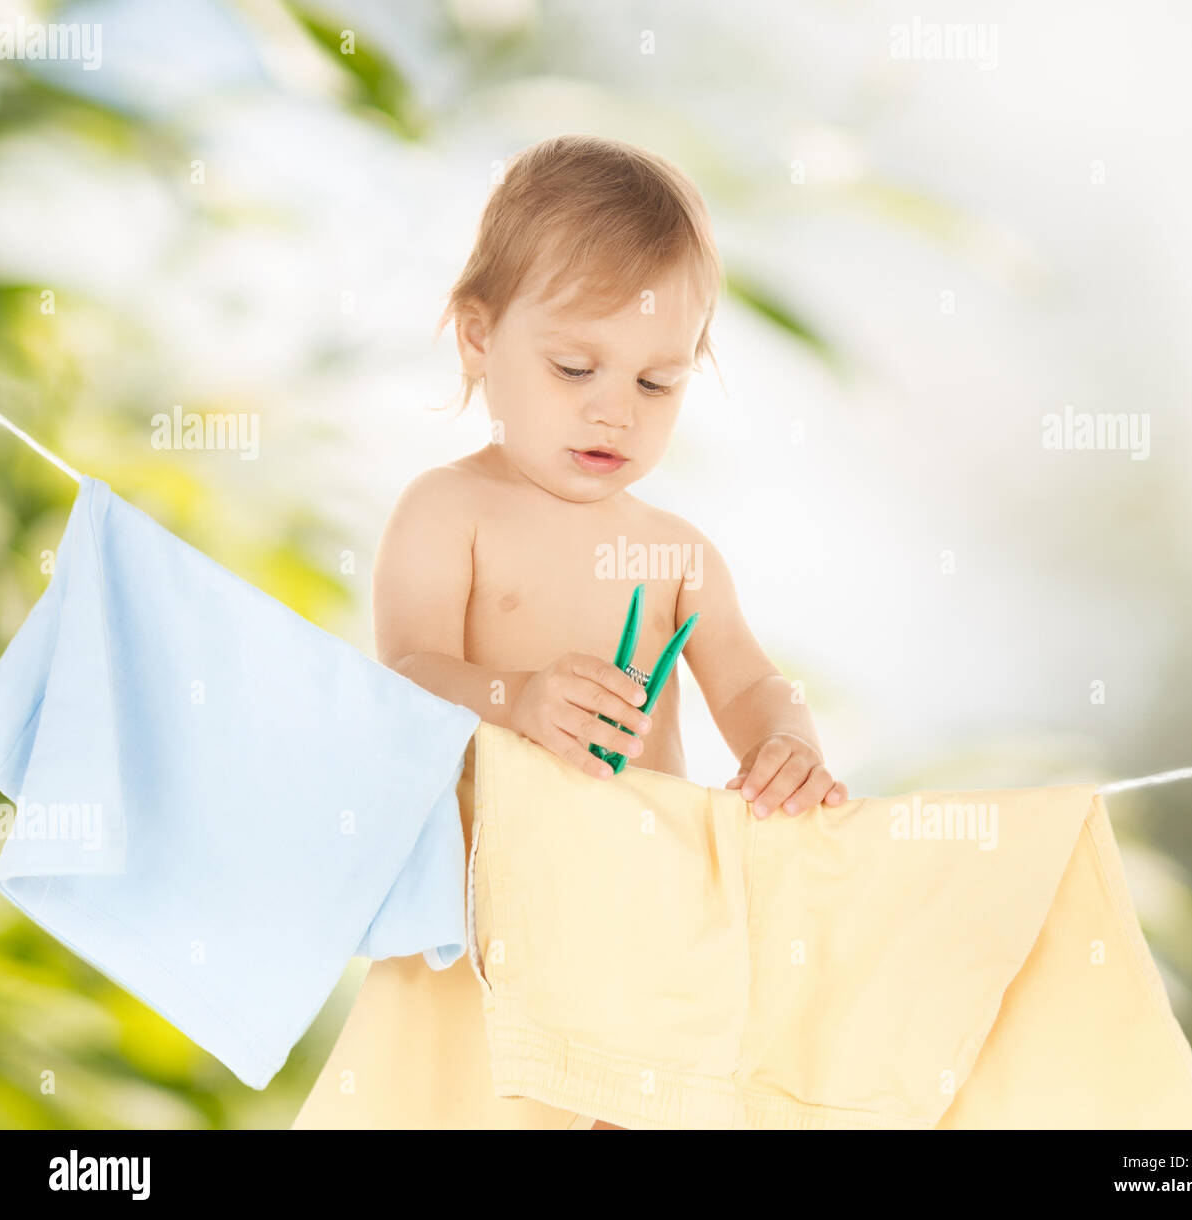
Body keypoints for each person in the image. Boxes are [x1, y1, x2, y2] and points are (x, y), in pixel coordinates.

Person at [372, 134, 848, 1129]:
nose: (612, 411)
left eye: (655, 382)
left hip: (649, 926)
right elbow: (403, 682)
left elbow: (755, 686)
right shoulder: (449, 510)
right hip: (491, 927)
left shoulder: (678, 555)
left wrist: (788, 745)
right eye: (576, 365)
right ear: (477, 338)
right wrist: (516, 696)